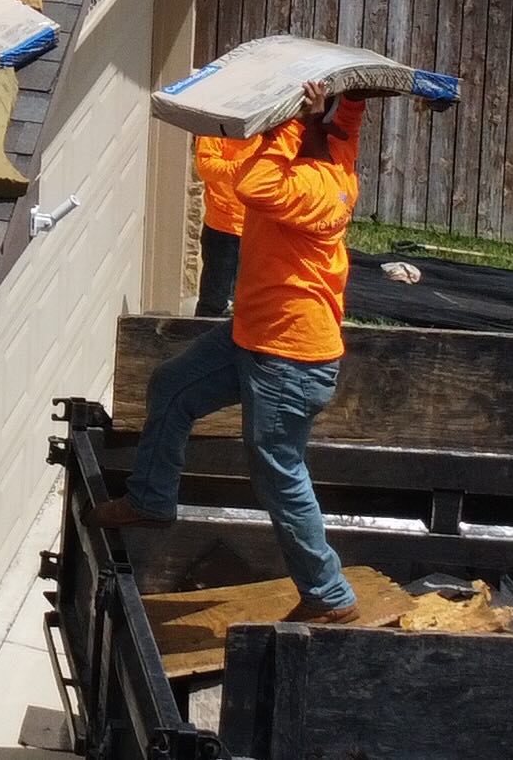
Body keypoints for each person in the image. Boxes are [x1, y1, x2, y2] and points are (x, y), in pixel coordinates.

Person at [118, 87, 376, 624]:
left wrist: (289, 122)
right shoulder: (336, 164)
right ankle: (150, 500)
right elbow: (343, 131)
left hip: (287, 358)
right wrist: (348, 102)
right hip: (254, 337)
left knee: (280, 474)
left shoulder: (310, 188)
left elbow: (253, 182)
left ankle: (328, 595)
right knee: (173, 386)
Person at [191, 129, 260, 317]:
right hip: (223, 228)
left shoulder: (272, 122)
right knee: (214, 304)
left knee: (254, 305)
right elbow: (205, 165)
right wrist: (246, 168)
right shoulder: (217, 123)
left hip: (262, 228)